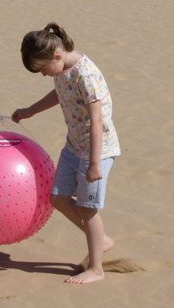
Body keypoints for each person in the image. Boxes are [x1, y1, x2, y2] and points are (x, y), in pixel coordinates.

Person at [12, 22, 120, 284]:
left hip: (97, 151)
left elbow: (97, 121)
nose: (44, 75)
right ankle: (102, 240)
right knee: (58, 198)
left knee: (87, 208)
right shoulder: (62, 69)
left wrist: (94, 163)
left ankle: (96, 269)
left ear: (56, 55)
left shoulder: (86, 75)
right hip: (74, 146)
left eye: (43, 69)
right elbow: (60, 92)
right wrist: (31, 110)